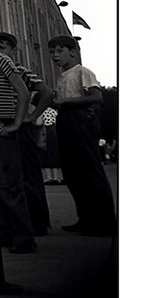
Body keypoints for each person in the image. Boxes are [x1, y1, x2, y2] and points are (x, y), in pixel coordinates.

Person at [48, 35, 117, 236]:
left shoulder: (82, 72)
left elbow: (97, 97)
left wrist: (66, 102)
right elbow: (59, 102)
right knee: (72, 172)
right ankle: (86, 218)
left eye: (60, 51)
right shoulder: (62, 76)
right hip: (66, 121)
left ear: (72, 51)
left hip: (82, 121)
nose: (55, 56)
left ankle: (105, 221)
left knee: (90, 169)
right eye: (52, 52)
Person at [0, 19, 36, 253]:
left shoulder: (2, 59)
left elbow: (23, 93)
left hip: (2, 124)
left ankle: (24, 237)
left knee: (9, 184)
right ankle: (1, 232)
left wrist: (17, 124)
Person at [0, 32, 53, 235]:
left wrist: (32, 115)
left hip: (21, 124)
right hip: (6, 122)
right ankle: (15, 221)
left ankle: (37, 221)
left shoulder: (18, 69)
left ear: (13, 51)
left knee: (28, 173)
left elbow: (47, 93)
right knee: (9, 175)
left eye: (3, 48)